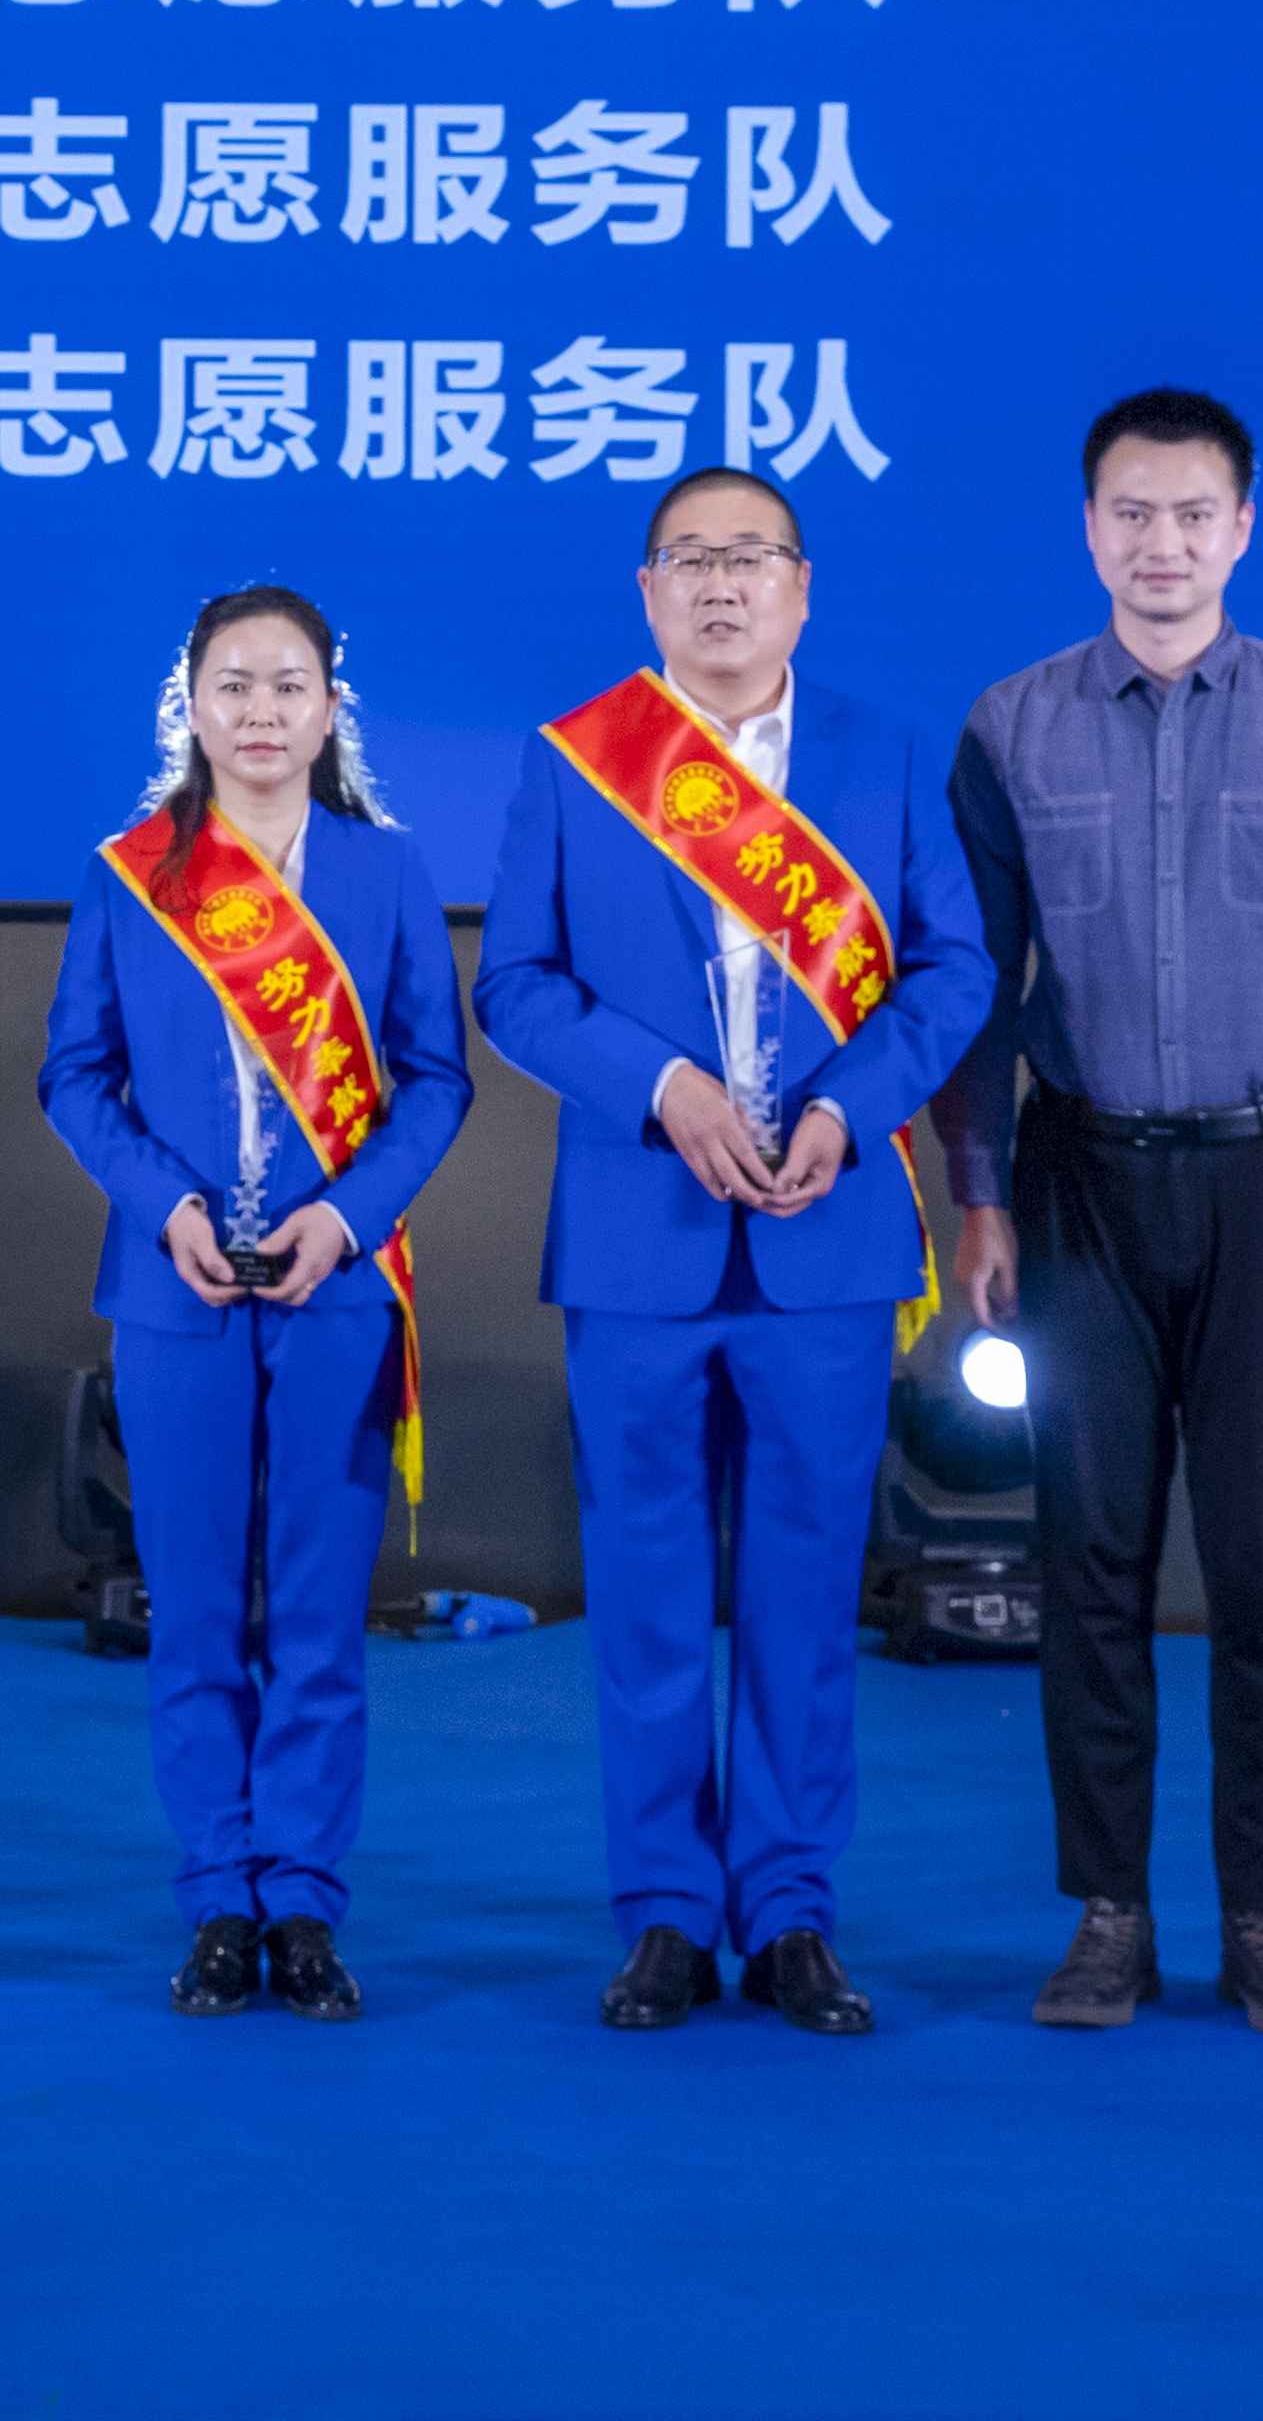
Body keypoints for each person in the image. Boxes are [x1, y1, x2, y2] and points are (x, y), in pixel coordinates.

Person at [479, 464, 993, 2036]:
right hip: (638, 1235)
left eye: (750, 557)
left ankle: (789, 1910)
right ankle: (661, 1912)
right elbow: (516, 986)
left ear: (801, 587)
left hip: (827, 1234)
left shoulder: (880, 754)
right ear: (648, 592)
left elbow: (953, 971)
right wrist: (661, 1087)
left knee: (804, 1595)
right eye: (689, 559)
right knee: (643, 1595)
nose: (721, 584)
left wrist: (851, 1107)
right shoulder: (578, 761)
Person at [931, 389, 1263, 2038]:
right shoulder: (1011, 727)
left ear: (1243, 529)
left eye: (1193, 514)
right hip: (1077, 1181)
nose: (1162, 543)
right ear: (1089, 529)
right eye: (1132, 514)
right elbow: (975, 991)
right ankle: (1111, 1914)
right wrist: (979, 1193)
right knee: (1090, 1561)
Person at [35, 581, 471, 2021]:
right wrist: (162, 1206)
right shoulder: (130, 875)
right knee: (198, 1616)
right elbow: (74, 1077)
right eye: (234, 684)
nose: (263, 710)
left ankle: (306, 1903)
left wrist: (347, 1218)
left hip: (337, 1290)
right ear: (192, 706)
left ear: (331, 709)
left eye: (291, 685)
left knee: (322, 1619)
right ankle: (218, 1895)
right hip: (176, 1295)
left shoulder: (386, 873)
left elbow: (436, 1081)